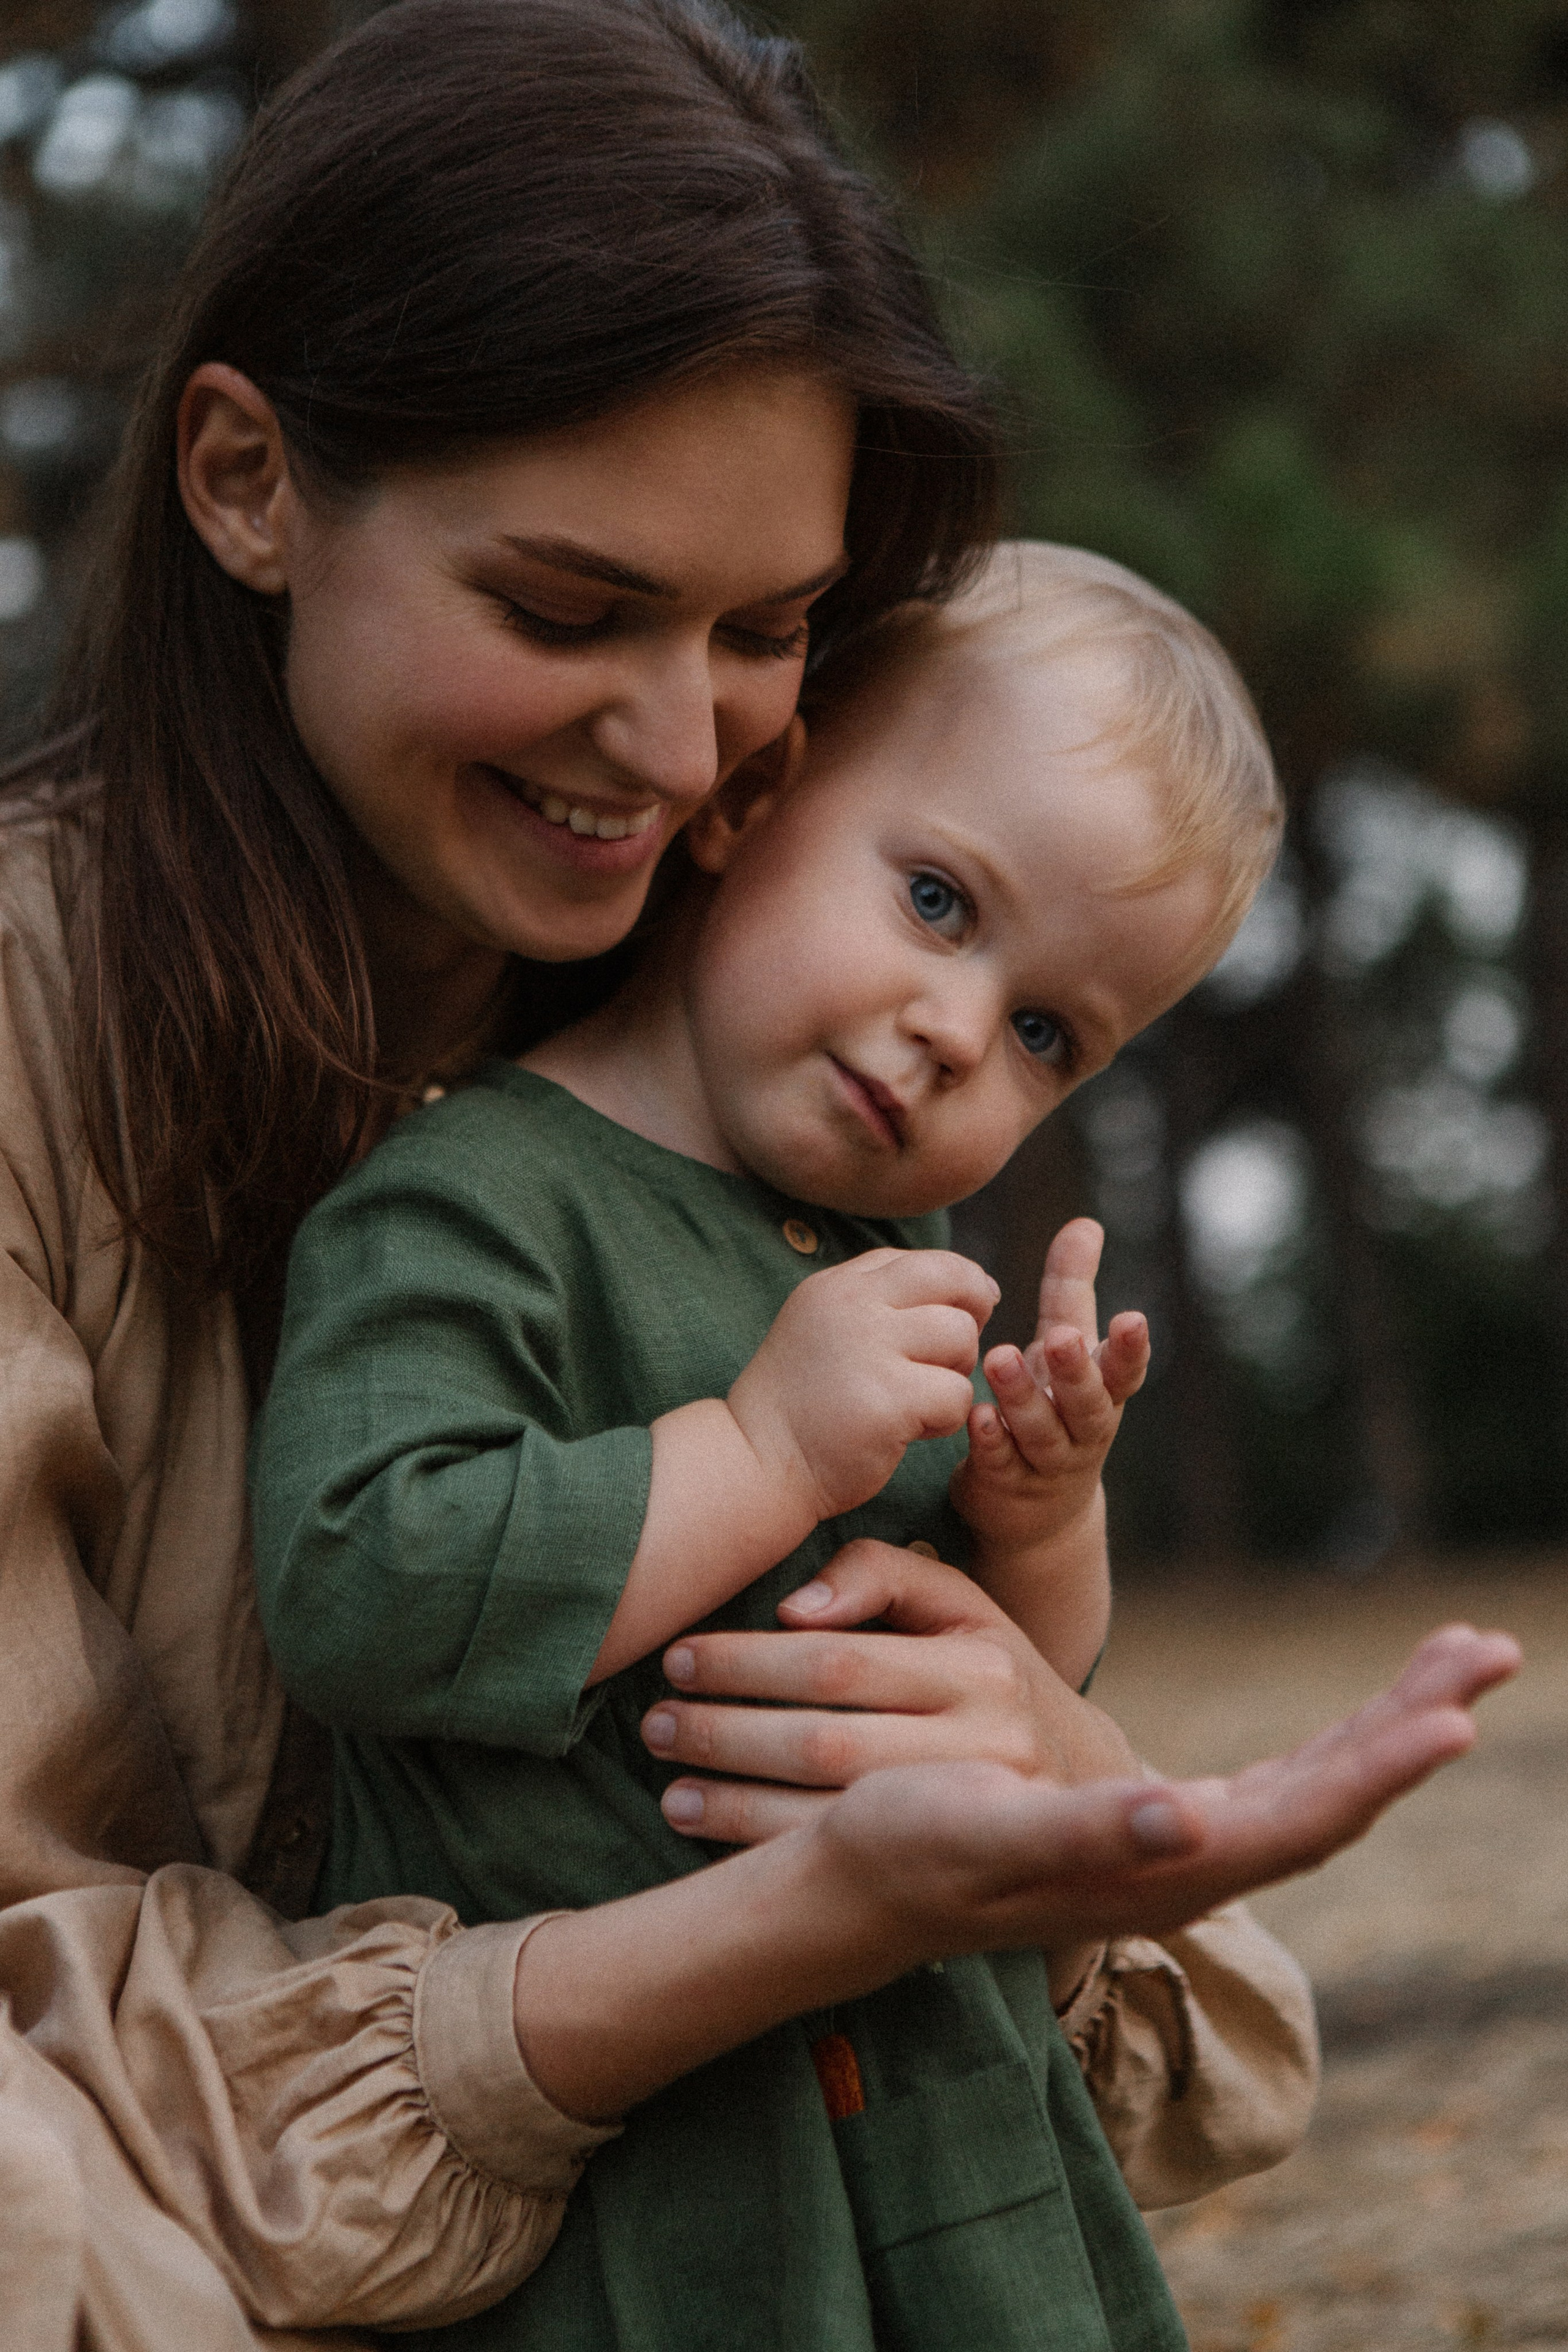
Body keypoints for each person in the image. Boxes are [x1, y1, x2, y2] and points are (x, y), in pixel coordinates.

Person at [0, 3, 1518, 2348]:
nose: (679, 741)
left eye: (770, 632)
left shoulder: (777, 1127)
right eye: (566, 608)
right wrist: (783, 1916)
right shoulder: (97, 1053)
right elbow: (63, 2068)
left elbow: (1177, 2026)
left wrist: (1029, 1689)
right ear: (245, 480)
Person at [246, 544, 1439, 2351]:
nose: (960, 1032)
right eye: (942, 903)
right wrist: (756, 1450)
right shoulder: (470, 1197)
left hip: (970, 2175)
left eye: (1050, 1033)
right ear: (753, 796)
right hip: (662, 2213)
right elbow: (360, 1588)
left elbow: (996, 1710)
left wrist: (1036, 1528)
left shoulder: (905, 1280)